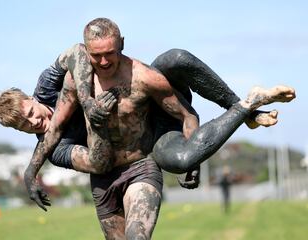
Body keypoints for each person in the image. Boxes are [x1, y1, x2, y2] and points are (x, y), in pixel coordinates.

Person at [21, 17, 295, 239]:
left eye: (110, 54)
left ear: (122, 45)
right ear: (85, 50)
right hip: (103, 181)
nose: (104, 62)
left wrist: (194, 161)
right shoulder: (76, 81)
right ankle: (247, 110)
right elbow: (54, 130)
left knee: (141, 232)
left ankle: (246, 105)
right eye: (96, 56)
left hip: (142, 164)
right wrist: (30, 173)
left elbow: (187, 115)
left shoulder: (144, 78)